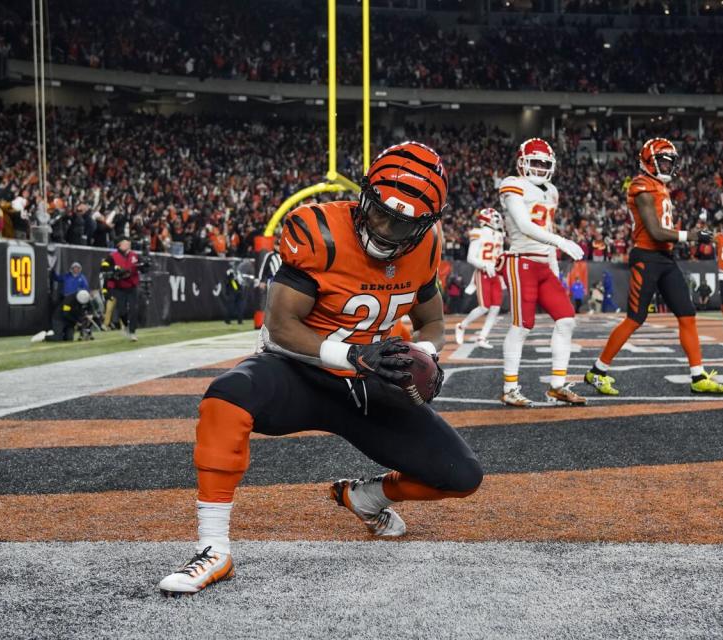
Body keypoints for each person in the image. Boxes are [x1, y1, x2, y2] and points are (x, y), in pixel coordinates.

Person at [157, 142, 482, 596]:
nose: (387, 230)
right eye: (381, 213)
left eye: (404, 223)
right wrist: (351, 355)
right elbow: (282, 324)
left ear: (426, 224)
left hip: (367, 382)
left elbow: (433, 322)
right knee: (226, 395)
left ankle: (364, 498)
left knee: (462, 475)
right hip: (300, 370)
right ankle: (214, 550)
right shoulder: (320, 229)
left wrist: (423, 354)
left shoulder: (425, 246)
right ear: (364, 195)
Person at [585, 138, 723, 396]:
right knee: (635, 318)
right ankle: (597, 371)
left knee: (687, 315)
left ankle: (698, 376)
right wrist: (692, 236)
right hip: (647, 257)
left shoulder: (660, 187)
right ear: (647, 162)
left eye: (669, 161)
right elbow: (654, 231)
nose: (666, 165)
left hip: (665, 258)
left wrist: (686, 237)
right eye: (661, 161)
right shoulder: (641, 185)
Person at [498, 138, 586, 407]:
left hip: (544, 263)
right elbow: (524, 225)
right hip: (521, 259)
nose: (538, 168)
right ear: (522, 163)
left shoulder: (552, 191)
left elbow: (544, 226)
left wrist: (555, 266)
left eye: (543, 164)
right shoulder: (511, 184)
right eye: (534, 163)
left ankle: (558, 385)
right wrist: (560, 241)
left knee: (566, 319)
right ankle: (509, 388)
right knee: (522, 325)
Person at [454, 208, 505, 349]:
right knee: (484, 307)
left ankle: (482, 337)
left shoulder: (499, 235)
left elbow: (500, 256)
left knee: (495, 308)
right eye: (495, 218)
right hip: (483, 272)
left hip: (495, 273)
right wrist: (484, 265)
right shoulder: (479, 233)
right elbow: (471, 257)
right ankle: (461, 326)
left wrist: (501, 270)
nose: (498, 221)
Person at [107, 237, 142, 341]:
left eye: (128, 243)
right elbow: (106, 271)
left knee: (133, 309)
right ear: (119, 245)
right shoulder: (112, 256)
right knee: (121, 311)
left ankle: (132, 332)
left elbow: (142, 267)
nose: (127, 244)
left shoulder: (135, 255)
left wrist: (143, 266)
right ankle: (126, 325)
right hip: (120, 287)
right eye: (125, 243)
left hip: (132, 286)